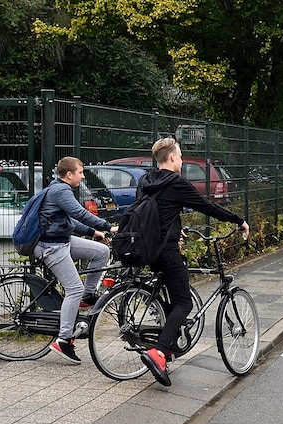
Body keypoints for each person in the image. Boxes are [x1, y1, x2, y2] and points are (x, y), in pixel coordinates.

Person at [137, 137, 249, 386]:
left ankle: (167, 346)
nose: (183, 159)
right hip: (166, 251)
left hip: (148, 248)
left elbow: (152, 210)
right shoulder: (176, 183)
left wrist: (175, 227)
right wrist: (238, 220)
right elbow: (207, 207)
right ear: (173, 157)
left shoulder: (145, 180)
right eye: (181, 155)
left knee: (171, 300)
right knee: (184, 303)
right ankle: (159, 352)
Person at [35, 156, 112, 365]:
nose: (83, 175)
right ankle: (63, 339)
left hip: (62, 240)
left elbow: (69, 222)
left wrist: (93, 232)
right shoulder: (61, 190)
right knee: (73, 288)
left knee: (101, 252)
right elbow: (79, 213)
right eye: (80, 172)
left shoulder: (59, 189)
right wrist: (107, 226)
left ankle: (87, 296)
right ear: (69, 174)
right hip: (50, 246)